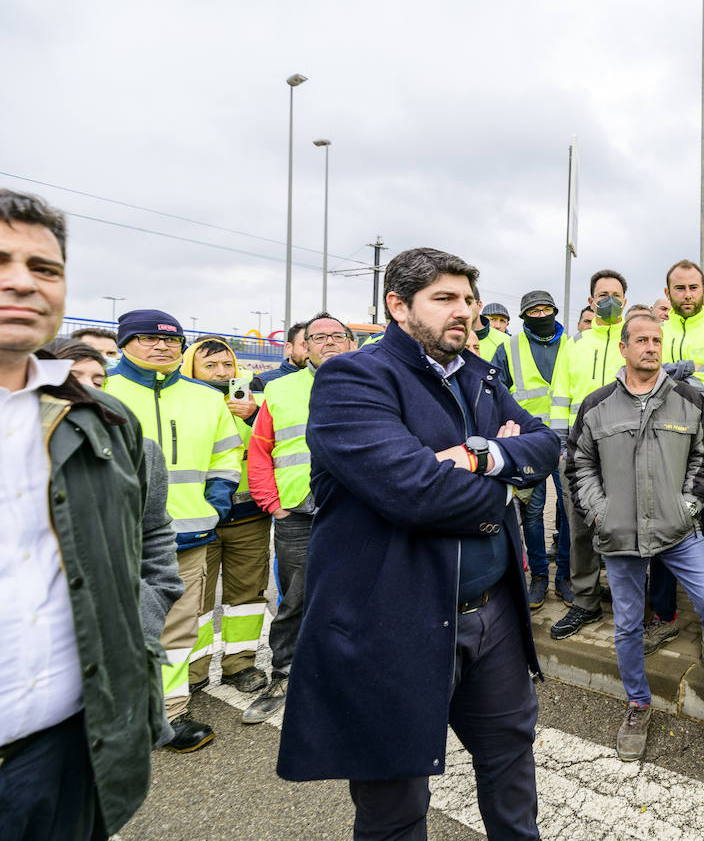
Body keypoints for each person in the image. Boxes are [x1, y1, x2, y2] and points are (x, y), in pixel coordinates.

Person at [277, 248, 559, 840]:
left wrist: (480, 455)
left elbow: (545, 445)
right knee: (395, 800)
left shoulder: (480, 376)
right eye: (444, 299)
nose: (465, 312)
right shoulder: (354, 378)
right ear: (398, 306)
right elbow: (415, 492)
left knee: (510, 764)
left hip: (493, 615)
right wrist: (506, 486)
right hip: (395, 619)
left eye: (469, 299)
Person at [0, 190, 182, 837]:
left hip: (70, 749)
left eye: (43, 268)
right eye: (0, 262)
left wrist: (135, 628)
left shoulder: (102, 420)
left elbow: (151, 537)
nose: (23, 282)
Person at [567, 314, 704, 760]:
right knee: (628, 624)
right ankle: (637, 703)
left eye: (656, 340)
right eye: (642, 340)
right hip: (620, 534)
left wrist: (687, 506)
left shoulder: (688, 399)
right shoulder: (597, 405)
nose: (650, 347)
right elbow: (579, 463)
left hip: (677, 529)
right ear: (623, 348)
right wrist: (600, 513)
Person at [105, 309, 241, 754]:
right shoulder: (100, 389)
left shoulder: (206, 397)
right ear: (124, 343)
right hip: (112, 538)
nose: (162, 346)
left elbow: (225, 458)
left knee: (178, 630)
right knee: (105, 627)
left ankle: (169, 713)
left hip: (186, 536)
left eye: (172, 340)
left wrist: (214, 506)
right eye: (148, 338)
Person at [242, 312, 355, 724]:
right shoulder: (280, 389)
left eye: (337, 335)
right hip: (297, 512)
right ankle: (284, 673)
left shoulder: (374, 383)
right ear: (303, 347)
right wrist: (273, 504)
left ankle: (347, 673)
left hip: (357, 510)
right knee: (295, 598)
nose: (329, 342)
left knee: (357, 594)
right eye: (318, 337)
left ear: (351, 343)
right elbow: (260, 451)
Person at [646, 259, 704, 654]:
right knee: (663, 535)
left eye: (693, 288)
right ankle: (663, 615)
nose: (687, 295)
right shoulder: (656, 332)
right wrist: (688, 371)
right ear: (668, 293)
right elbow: (640, 377)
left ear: (703, 291)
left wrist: (666, 377)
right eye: (679, 288)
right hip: (663, 450)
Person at [181, 337, 272, 696]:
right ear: (191, 368)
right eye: (210, 366)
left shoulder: (255, 398)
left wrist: (252, 415)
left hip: (249, 516)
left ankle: (240, 664)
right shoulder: (181, 400)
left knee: (247, 595)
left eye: (227, 365)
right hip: (198, 518)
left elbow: (274, 446)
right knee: (195, 601)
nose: (221, 372)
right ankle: (193, 671)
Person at [549, 269, 630, 639]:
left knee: (624, 528)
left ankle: (625, 597)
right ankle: (585, 601)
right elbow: (559, 397)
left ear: (625, 300)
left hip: (624, 451)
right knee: (580, 529)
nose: (609, 300)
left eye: (616, 294)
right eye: (602, 295)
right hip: (579, 453)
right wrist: (560, 448)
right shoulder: (575, 344)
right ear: (591, 300)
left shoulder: (633, 340)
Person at [492, 290, 573, 607]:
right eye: (533, 312)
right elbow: (496, 395)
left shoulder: (572, 345)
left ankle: (564, 576)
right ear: (524, 317)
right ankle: (539, 576)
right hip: (530, 444)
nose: (541, 316)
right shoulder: (509, 348)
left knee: (569, 510)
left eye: (545, 310)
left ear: (554, 311)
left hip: (567, 440)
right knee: (534, 513)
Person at [253, 321, 308, 390]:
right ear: (289, 348)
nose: (310, 349)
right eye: (305, 345)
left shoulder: (320, 380)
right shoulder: (261, 383)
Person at [469, 295, 511, 362]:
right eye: (493, 319)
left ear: (507, 324)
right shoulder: (468, 339)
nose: (498, 325)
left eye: (502, 321)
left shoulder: (512, 344)